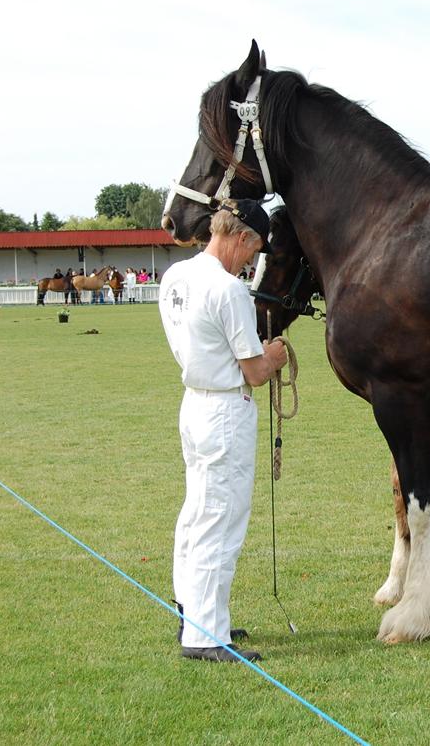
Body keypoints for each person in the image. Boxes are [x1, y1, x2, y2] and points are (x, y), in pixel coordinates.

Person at [159, 198, 286, 663]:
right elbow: (254, 370)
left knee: (196, 513)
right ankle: (206, 636)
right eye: (253, 250)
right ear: (240, 237)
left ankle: (193, 612)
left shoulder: (175, 277)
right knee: (221, 518)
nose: (252, 260)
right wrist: (276, 355)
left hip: (193, 401)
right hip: (225, 409)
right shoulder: (229, 290)